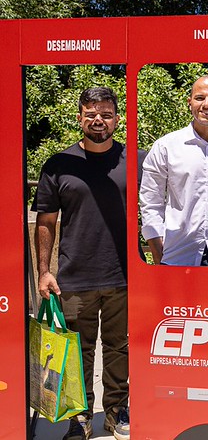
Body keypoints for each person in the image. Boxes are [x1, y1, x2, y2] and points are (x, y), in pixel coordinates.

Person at [33, 87, 131, 440]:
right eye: (91, 113)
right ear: (79, 118)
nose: (98, 120)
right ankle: (81, 416)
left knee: (119, 348)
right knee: (78, 351)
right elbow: (45, 223)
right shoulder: (59, 164)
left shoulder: (134, 159)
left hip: (124, 275)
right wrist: (44, 271)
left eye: (105, 113)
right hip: (73, 277)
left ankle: (117, 412)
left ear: (116, 118)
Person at [139, 75, 208, 266]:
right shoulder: (166, 146)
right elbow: (151, 202)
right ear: (189, 102)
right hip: (177, 256)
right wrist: (158, 253)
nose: (206, 104)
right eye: (200, 98)